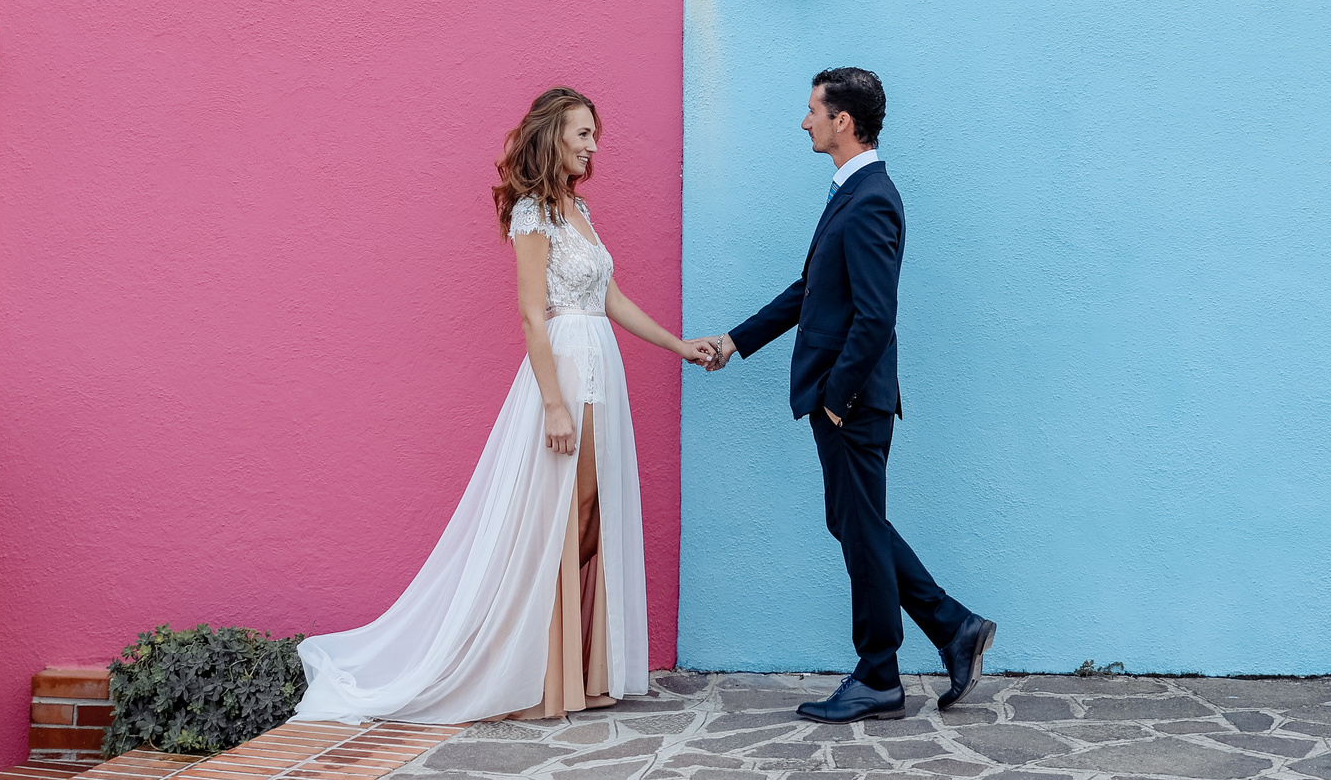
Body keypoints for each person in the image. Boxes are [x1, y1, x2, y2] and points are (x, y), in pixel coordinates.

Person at [297, 87, 721, 723]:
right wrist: (554, 405)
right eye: (583, 135)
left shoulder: (578, 210)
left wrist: (677, 346)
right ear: (553, 137)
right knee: (556, 518)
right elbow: (530, 312)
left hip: (603, 368)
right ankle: (536, 673)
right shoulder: (532, 215)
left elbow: (610, 296)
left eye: (594, 135)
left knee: (590, 520)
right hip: (564, 373)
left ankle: (574, 669)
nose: (594, 147)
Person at [700, 67, 995, 723]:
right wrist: (735, 339)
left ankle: (882, 672)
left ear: (843, 120)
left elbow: (874, 314)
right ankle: (953, 628)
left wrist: (837, 397)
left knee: (858, 525)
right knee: (855, 524)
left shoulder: (870, 198)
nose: (804, 121)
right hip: (845, 397)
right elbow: (811, 292)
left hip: (851, 400)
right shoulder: (851, 192)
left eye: (812, 110)